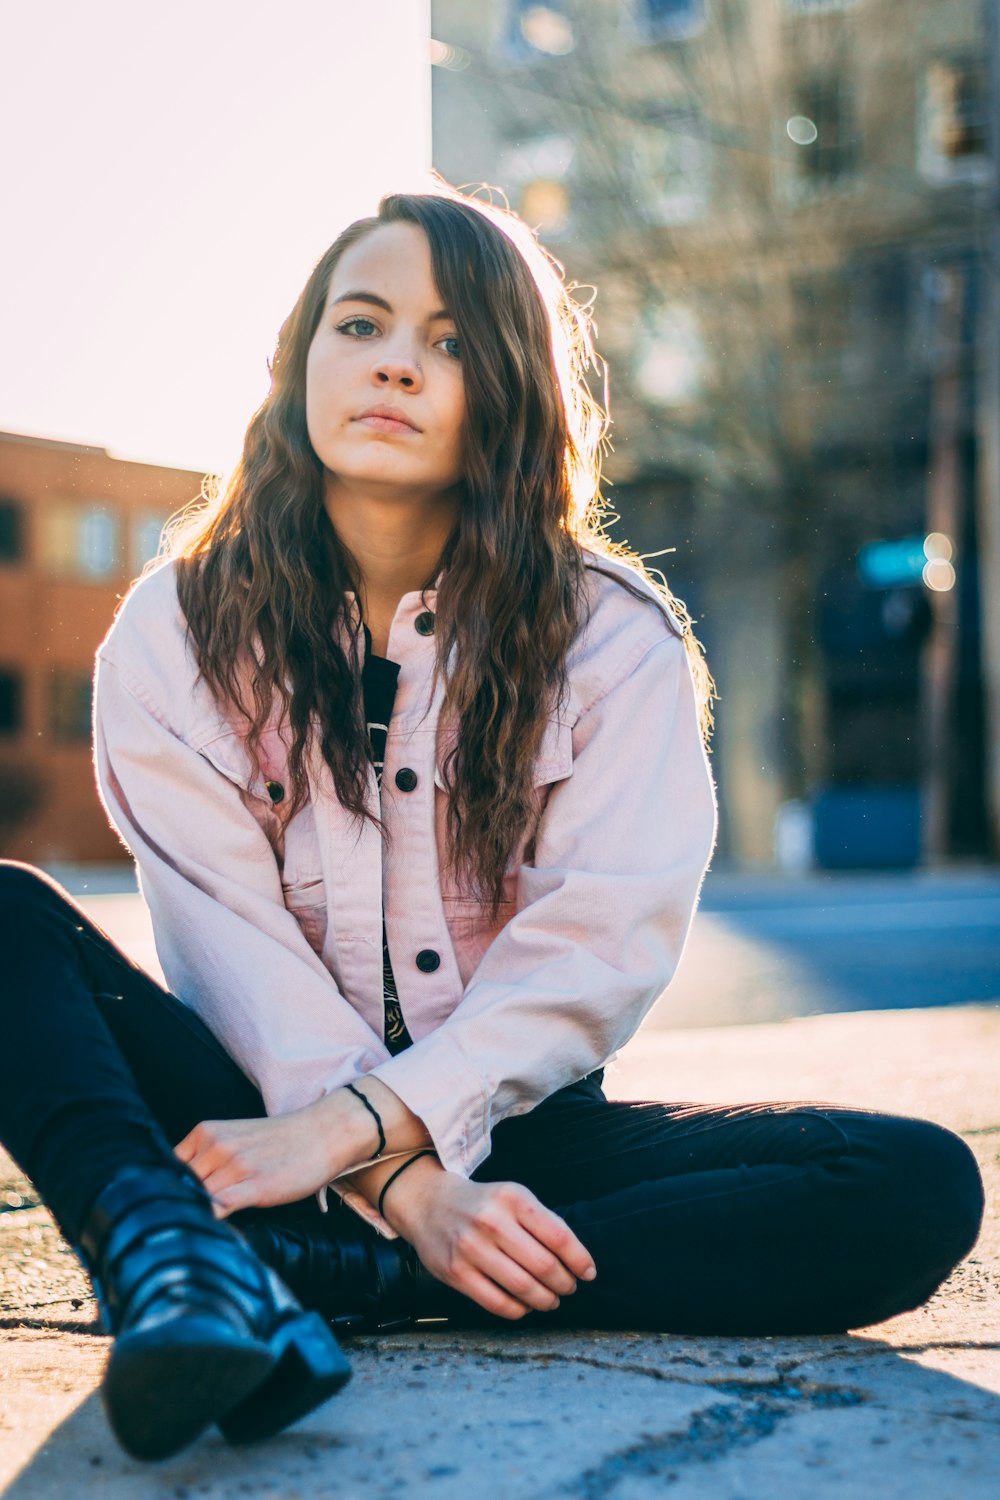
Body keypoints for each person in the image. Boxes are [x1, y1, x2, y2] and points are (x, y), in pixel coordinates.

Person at [0, 181, 984, 1463]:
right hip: (254, 1106)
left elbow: (594, 950)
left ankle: (329, 1281)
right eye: (361, 324)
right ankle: (171, 1259)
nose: (398, 363)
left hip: (525, 1135)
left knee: (909, 1189)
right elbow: (228, 947)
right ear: (298, 359)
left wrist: (399, 1178)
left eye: (452, 340)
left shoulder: (610, 639)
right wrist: (403, 1186)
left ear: (509, 389)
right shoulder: (177, 633)